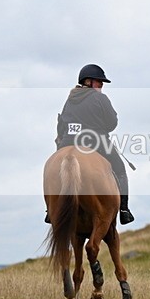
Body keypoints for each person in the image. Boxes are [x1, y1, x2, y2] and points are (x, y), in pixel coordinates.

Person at [45, 64, 135, 225]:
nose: (101, 86)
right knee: (120, 169)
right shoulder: (100, 98)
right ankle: (124, 210)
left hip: (68, 141)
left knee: (54, 166)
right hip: (95, 141)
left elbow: (63, 122)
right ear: (89, 82)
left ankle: (50, 210)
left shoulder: (70, 99)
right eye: (99, 82)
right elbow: (112, 123)